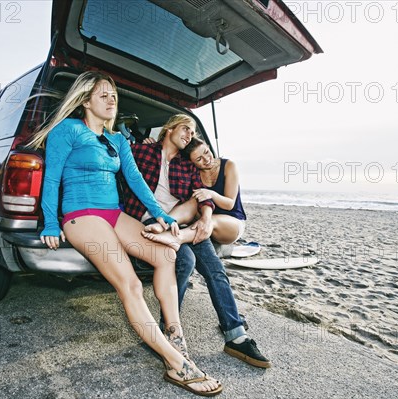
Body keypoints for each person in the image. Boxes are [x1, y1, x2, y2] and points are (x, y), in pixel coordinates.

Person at [29, 72, 222, 396]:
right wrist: (51, 221)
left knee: (166, 254)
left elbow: (136, 182)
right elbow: (51, 179)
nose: (111, 100)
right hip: (80, 215)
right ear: (86, 100)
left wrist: (161, 214)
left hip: (114, 213)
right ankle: (175, 362)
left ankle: (174, 333)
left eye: (114, 96)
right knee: (130, 282)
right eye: (103, 95)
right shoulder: (68, 130)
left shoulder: (117, 139)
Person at [123, 114, 271, 369]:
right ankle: (168, 332)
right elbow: (116, 164)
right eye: (186, 128)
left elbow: (203, 198)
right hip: (151, 221)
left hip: (182, 223)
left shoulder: (187, 164)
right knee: (185, 261)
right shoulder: (142, 152)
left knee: (215, 268)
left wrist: (206, 218)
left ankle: (235, 335)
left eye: (193, 132)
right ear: (169, 129)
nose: (190, 134)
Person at [142, 137, 246, 246]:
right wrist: (154, 147)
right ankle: (164, 224)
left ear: (208, 146)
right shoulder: (193, 173)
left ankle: (177, 238)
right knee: (194, 201)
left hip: (231, 223)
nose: (206, 159)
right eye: (199, 159)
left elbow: (229, 204)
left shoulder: (228, 166)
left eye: (206, 152)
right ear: (191, 162)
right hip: (203, 218)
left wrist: (211, 194)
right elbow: (169, 159)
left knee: (210, 221)